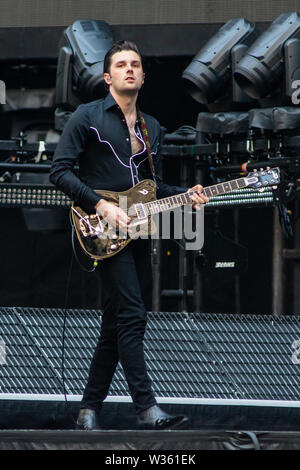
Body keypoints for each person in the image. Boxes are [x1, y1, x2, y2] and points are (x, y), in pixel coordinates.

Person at [50, 40, 209, 430]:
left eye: (136, 64)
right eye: (121, 65)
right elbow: (59, 171)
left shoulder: (152, 127)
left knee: (116, 322)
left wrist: (186, 196)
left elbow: (152, 187)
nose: (130, 69)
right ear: (108, 77)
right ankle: (146, 407)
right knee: (134, 314)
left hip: (138, 231)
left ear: (143, 75)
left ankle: (89, 410)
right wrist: (100, 205)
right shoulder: (86, 116)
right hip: (99, 228)